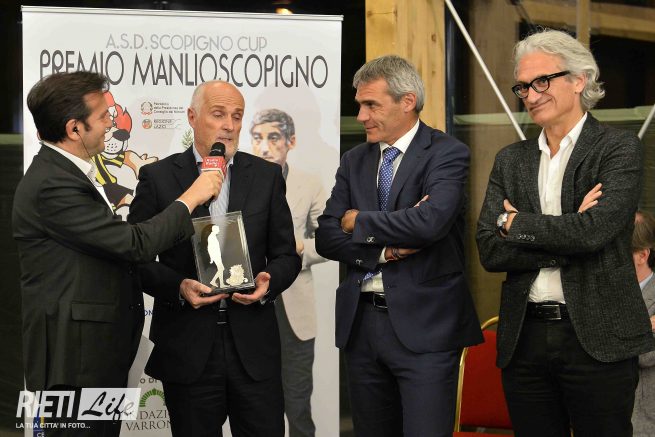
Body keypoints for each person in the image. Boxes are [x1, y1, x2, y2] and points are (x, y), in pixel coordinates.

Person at [12, 71, 222, 436]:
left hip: (96, 358)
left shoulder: (68, 173)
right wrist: (193, 195)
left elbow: (113, 256)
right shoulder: (52, 184)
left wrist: (176, 285)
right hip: (73, 365)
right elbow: (134, 244)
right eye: (103, 116)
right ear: (74, 128)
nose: (111, 123)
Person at [476, 29, 655, 437]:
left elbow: (594, 233)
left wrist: (515, 224)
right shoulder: (510, 160)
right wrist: (569, 227)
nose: (530, 94)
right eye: (523, 86)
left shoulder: (618, 148)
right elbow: (489, 250)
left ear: (579, 79)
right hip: (525, 338)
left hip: (599, 336)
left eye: (542, 81)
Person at [315, 55, 482, 437]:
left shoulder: (446, 153)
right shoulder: (354, 160)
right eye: (360, 105)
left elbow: (430, 223)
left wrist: (358, 221)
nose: (361, 116)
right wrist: (383, 251)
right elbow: (326, 235)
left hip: (427, 330)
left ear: (407, 101)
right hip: (362, 328)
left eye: (371, 105)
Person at [128, 80, 301, 437]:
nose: (229, 125)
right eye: (218, 114)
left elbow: (286, 254)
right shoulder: (158, 177)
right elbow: (136, 258)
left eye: (237, 116)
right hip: (188, 348)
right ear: (192, 117)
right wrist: (179, 286)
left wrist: (269, 281)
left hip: (253, 349)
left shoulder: (266, 176)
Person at [250, 108, 328, 437]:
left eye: (273, 138)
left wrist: (297, 250)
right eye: (257, 138)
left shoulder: (309, 184)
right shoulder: (238, 181)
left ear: (290, 142)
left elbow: (330, 240)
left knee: (297, 406)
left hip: (295, 311)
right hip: (249, 307)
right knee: (256, 406)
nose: (264, 147)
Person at [631, 210, 655, 436]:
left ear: (642, 255)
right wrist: (646, 326)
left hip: (645, 422)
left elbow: (645, 356)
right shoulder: (602, 293)